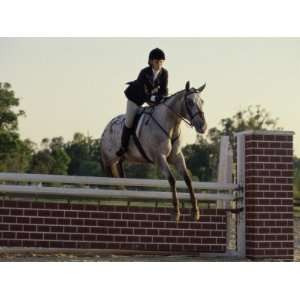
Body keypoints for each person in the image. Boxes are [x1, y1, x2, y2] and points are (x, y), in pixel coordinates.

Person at [116, 48, 169, 157]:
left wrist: (163, 99)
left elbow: (164, 90)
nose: (159, 64)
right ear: (150, 62)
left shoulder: (164, 73)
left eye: (161, 62)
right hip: (135, 98)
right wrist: (155, 99)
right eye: (156, 61)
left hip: (150, 99)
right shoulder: (144, 72)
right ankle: (123, 147)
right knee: (129, 122)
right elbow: (143, 94)